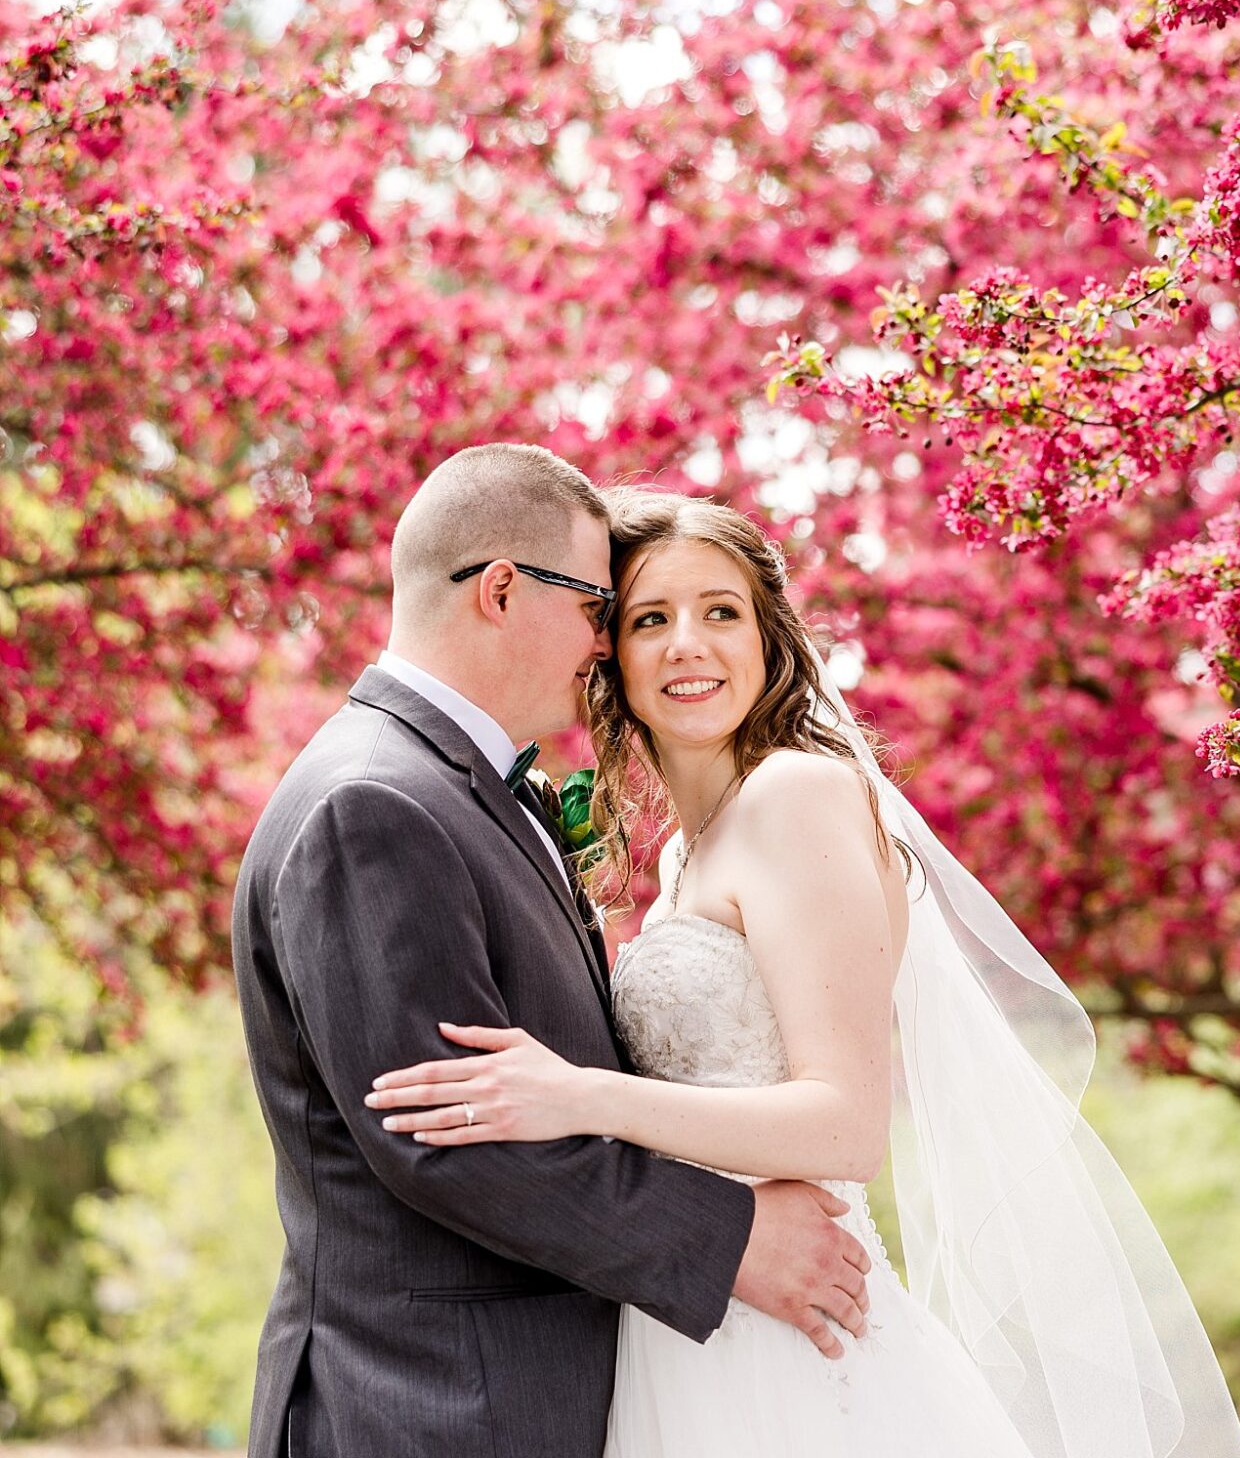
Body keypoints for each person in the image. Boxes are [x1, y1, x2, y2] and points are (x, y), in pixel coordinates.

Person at [367, 488, 1240, 1458]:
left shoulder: (799, 793)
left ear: (767, 636)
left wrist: (579, 1096)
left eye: (721, 611)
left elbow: (843, 1122)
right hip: (694, 1310)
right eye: (652, 618)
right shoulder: (681, 855)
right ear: (609, 650)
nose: (687, 645)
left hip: (796, 1336)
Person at [232, 448, 872, 1458]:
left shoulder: (468, 788)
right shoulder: (377, 802)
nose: (606, 642)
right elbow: (447, 1134)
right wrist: (730, 1237)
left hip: (578, 1384)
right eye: (604, 607)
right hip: (431, 1404)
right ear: (499, 589)